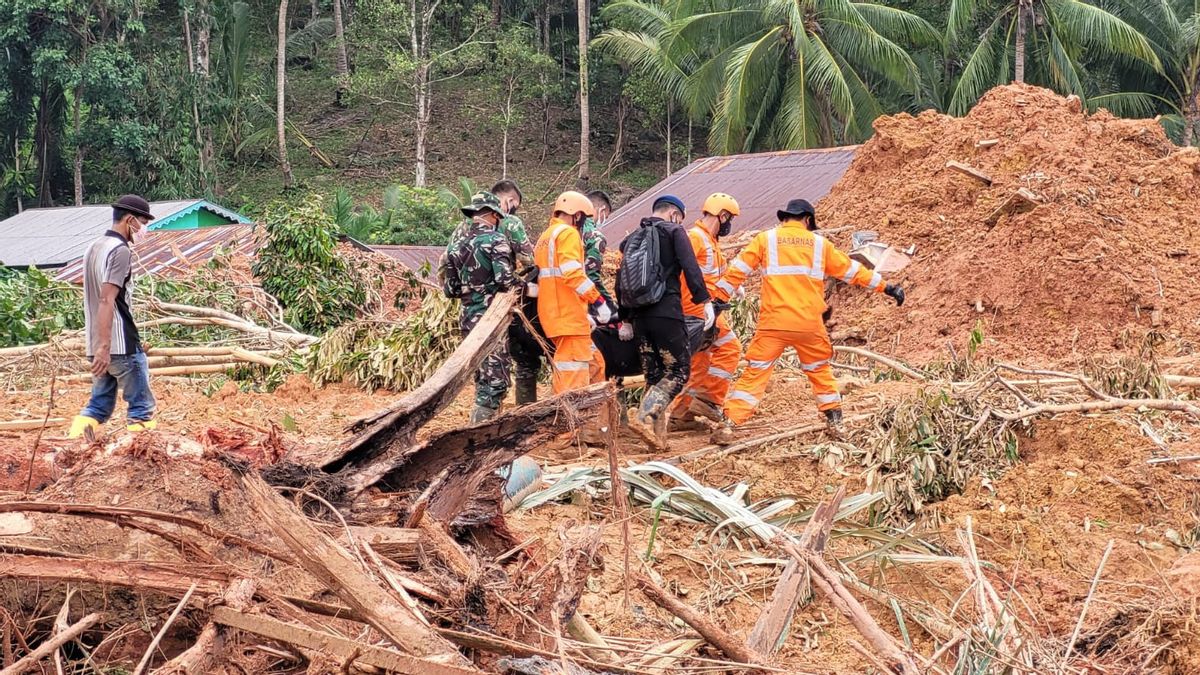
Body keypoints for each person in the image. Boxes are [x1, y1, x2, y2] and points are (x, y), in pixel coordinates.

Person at [710, 199, 905, 444]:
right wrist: (888, 287)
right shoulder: (819, 244)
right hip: (809, 324)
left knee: (756, 373)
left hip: (774, 324)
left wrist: (717, 300)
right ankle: (835, 421)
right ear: (808, 220)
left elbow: (737, 271)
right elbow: (853, 271)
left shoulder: (765, 240)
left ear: (785, 218)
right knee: (820, 371)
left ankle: (729, 425)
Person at [617, 195, 712, 445]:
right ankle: (645, 417)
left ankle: (658, 439)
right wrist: (704, 300)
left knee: (654, 374)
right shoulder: (674, 232)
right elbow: (690, 267)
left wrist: (624, 317)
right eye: (680, 217)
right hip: (666, 313)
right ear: (673, 214)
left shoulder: (632, 239)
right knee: (678, 370)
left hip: (638, 317)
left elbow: (621, 278)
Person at [68, 195, 158, 439]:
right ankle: (143, 463)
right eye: (142, 222)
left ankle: (74, 448)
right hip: (120, 345)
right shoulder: (120, 252)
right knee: (141, 407)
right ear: (129, 220)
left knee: (98, 404)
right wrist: (106, 347)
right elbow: (107, 299)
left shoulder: (93, 247)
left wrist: (99, 347)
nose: (144, 229)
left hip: (96, 342)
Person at [440, 192, 518, 423]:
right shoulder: (495, 241)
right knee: (496, 380)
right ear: (493, 215)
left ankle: (485, 426)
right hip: (490, 320)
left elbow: (450, 290)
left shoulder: (456, 245)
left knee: (481, 376)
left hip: (467, 320)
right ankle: (480, 431)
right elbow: (505, 281)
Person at [670, 193, 743, 426]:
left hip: (705, 310)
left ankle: (681, 414)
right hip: (696, 310)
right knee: (730, 347)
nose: (729, 224)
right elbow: (684, 273)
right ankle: (709, 399)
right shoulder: (695, 238)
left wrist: (734, 287)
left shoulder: (710, 241)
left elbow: (711, 276)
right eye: (729, 218)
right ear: (722, 215)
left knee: (699, 363)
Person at [534, 191, 609, 393]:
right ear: (576, 214)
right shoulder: (568, 233)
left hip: (559, 315)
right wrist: (599, 301)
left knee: (595, 366)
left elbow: (556, 282)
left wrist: (584, 313)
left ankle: (596, 423)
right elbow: (572, 274)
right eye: (583, 218)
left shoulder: (546, 237)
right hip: (568, 319)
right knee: (572, 380)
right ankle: (569, 424)